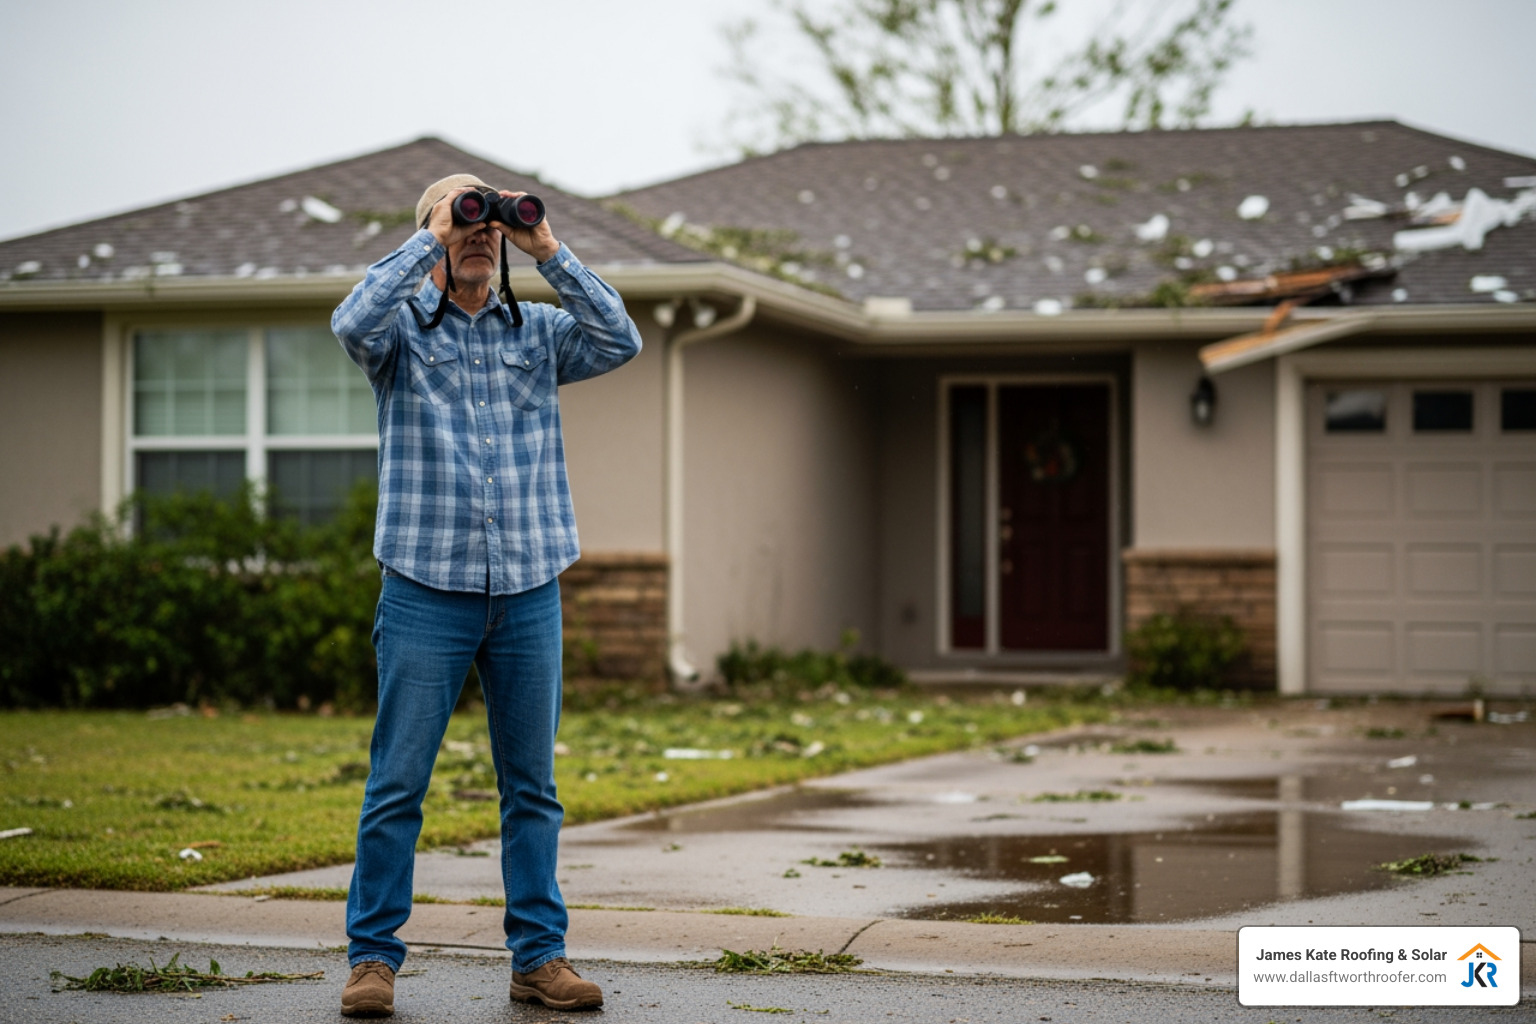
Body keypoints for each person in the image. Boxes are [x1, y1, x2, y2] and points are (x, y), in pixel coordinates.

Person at [330, 173, 642, 1016]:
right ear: (433, 235)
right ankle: (372, 961)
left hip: (529, 588)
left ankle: (539, 959)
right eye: (463, 220)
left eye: (487, 223)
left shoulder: (538, 332)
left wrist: (548, 248)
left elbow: (622, 340)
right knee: (398, 783)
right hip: (425, 588)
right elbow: (348, 320)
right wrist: (430, 234)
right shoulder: (395, 334)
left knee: (532, 787)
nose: (478, 232)